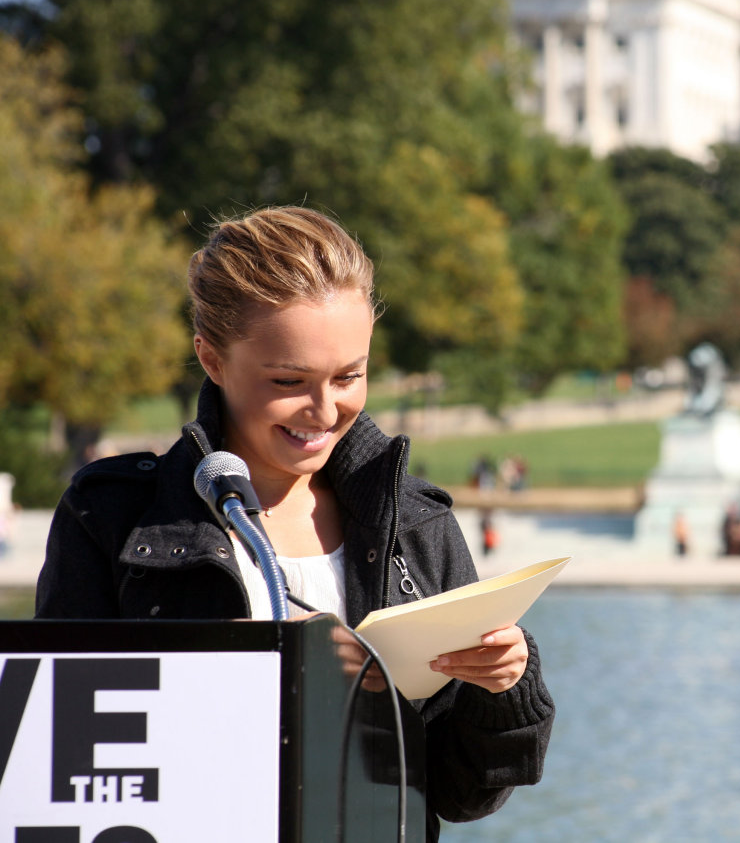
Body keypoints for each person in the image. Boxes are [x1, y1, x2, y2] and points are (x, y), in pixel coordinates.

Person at [34, 206, 554, 837]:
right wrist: (264, 661)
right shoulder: (110, 515)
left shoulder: (418, 524)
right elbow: (59, 758)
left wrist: (504, 685)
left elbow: (459, 796)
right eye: (289, 379)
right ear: (212, 358)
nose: (325, 409)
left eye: (349, 376)